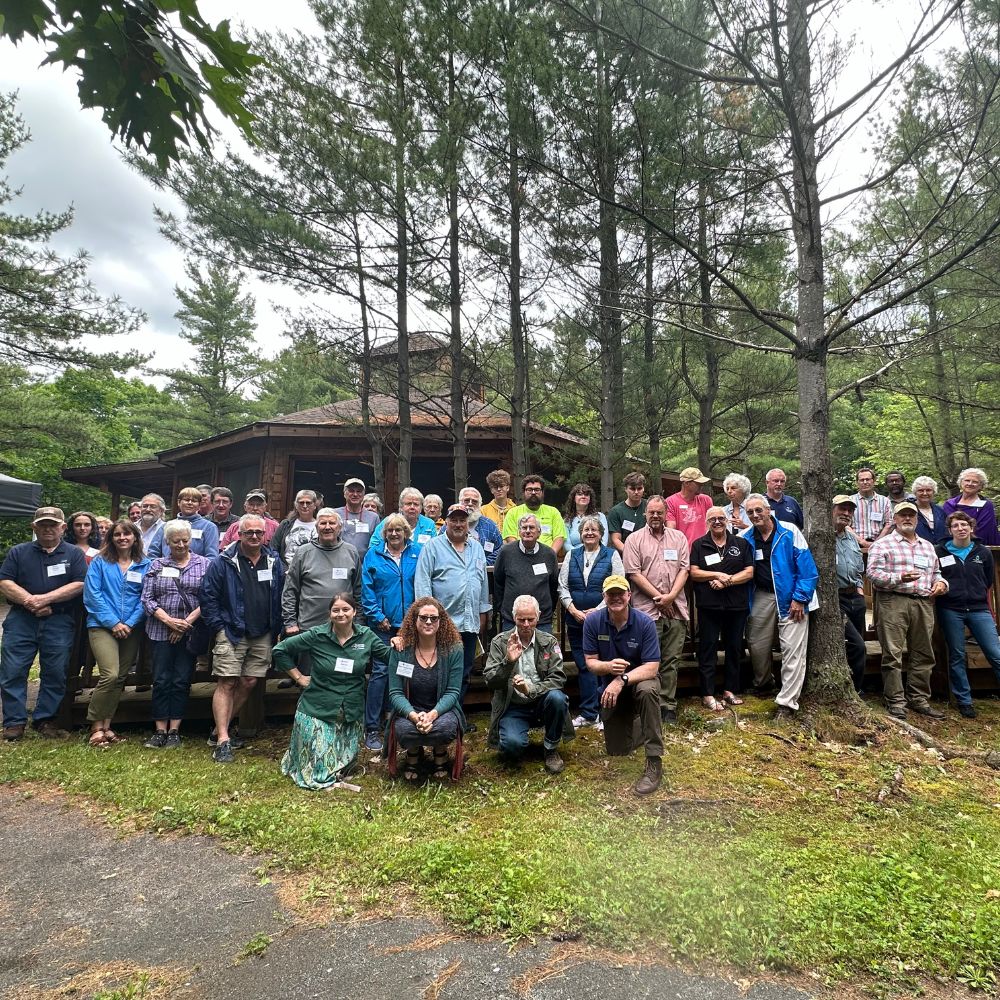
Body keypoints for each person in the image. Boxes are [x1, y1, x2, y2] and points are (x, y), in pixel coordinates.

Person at [272, 594, 392, 790]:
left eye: (345, 609)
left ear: (354, 612)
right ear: (329, 614)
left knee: (342, 767)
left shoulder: (367, 636)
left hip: (350, 709)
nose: (341, 614)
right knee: (319, 772)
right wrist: (299, 677)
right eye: (336, 610)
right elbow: (280, 650)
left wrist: (403, 644)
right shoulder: (317, 635)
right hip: (318, 707)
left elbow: (389, 658)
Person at [200, 514, 286, 763]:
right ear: (239, 534)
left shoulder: (273, 560)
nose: (255, 537)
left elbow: (280, 593)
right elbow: (208, 596)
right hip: (232, 631)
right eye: (249, 533)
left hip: (263, 632)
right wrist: (219, 626)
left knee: (249, 681)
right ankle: (224, 738)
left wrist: (277, 625)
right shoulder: (224, 561)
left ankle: (218, 729)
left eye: (259, 532)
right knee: (226, 682)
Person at [0, 506, 88, 741]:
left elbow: (80, 583)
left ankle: (45, 719)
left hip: (58, 620)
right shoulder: (18, 552)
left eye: (53, 524)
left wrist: (47, 599)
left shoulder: (74, 554)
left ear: (62, 528)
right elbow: (5, 582)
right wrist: (30, 602)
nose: (48, 528)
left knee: (55, 672)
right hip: (21, 619)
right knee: (13, 671)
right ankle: (14, 722)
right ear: (34, 527)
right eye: (42, 524)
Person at [865, 501, 948, 720]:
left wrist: (941, 584)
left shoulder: (927, 546)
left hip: (923, 602)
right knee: (892, 653)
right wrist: (898, 578)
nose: (907, 519)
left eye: (911, 515)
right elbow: (872, 574)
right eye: (902, 515)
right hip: (893, 601)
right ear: (894, 519)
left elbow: (937, 572)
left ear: (917, 519)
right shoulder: (883, 545)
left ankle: (918, 698)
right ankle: (895, 700)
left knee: (923, 653)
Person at [583, 576, 663, 796]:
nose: (616, 598)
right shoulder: (593, 621)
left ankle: (654, 760)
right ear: (604, 597)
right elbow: (590, 663)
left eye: (621, 593)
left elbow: (652, 667)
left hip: (639, 682)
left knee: (647, 691)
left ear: (629, 595)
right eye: (611, 594)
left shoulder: (644, 622)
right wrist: (609, 667)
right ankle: (645, 724)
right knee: (617, 750)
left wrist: (622, 679)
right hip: (610, 688)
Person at [741, 494, 818, 716]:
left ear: (768, 510)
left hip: (792, 597)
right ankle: (763, 683)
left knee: (793, 649)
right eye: (750, 512)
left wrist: (800, 598)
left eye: (759, 510)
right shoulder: (746, 537)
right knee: (756, 644)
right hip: (761, 596)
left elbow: (807, 568)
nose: (755, 515)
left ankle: (787, 702)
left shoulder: (789, 531)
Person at [140, 519, 211, 748]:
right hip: (161, 631)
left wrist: (185, 623)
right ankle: (160, 729)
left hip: (190, 631)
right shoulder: (157, 565)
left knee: (181, 680)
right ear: (167, 542)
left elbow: (209, 597)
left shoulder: (205, 564)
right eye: (175, 541)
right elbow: (147, 599)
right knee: (161, 680)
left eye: (185, 540)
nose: (180, 544)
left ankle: (174, 730)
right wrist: (170, 622)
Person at [484, 595, 573, 774]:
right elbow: (490, 680)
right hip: (513, 707)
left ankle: (550, 749)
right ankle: (513, 737)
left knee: (557, 698)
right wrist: (508, 662)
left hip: (542, 702)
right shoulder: (500, 642)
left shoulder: (549, 641)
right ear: (513, 617)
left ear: (538, 617)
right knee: (511, 748)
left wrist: (530, 688)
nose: (526, 624)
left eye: (530, 619)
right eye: (521, 619)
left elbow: (558, 678)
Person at [415, 504, 491, 708]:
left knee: (464, 670)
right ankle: (436, 714)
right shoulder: (433, 546)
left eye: (462, 520)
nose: (458, 524)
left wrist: (483, 612)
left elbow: (482, 582)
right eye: (454, 520)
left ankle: (455, 715)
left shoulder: (477, 548)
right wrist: (427, 616)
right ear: (446, 522)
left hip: (469, 622)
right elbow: (422, 581)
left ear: (468, 523)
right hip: (442, 622)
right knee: (440, 670)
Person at [622, 495, 689, 724]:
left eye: (659, 512)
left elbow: (684, 570)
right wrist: (660, 599)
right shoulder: (634, 539)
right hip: (646, 613)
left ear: (665, 514)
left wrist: (670, 598)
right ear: (645, 514)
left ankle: (667, 705)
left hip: (677, 609)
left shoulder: (679, 538)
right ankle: (645, 705)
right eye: (651, 512)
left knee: (671, 659)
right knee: (646, 660)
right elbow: (634, 573)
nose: (655, 516)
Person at [83, 519, 149, 748]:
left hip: (132, 627)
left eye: (127, 534)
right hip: (102, 626)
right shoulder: (100, 562)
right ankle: (95, 725)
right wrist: (113, 623)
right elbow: (93, 594)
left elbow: (146, 597)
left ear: (135, 538)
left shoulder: (145, 564)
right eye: (117, 534)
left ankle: (107, 726)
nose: (122, 538)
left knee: (120, 677)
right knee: (109, 674)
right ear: (110, 538)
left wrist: (129, 623)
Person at [386, 598, 466, 782]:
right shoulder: (401, 650)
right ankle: (413, 752)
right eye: (423, 618)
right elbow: (395, 693)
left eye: (433, 618)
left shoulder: (454, 649)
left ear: (441, 621)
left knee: (446, 728)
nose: (428, 622)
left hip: (441, 711)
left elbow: (453, 692)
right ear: (414, 620)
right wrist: (414, 716)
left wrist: (431, 716)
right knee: (404, 730)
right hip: (410, 710)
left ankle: (441, 752)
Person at [361, 513, 423, 749]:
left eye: (399, 529)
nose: (394, 533)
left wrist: (414, 618)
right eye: (390, 530)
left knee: (406, 670)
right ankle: (373, 727)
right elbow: (366, 589)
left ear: (406, 532)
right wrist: (378, 616)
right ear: (384, 534)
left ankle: (399, 719)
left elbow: (423, 583)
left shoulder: (417, 552)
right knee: (380, 671)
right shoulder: (373, 555)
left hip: (410, 624)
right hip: (383, 625)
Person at [558, 514, 625, 729]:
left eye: (593, 530)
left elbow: (619, 585)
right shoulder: (571, 555)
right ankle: (588, 713)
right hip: (576, 619)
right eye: (585, 530)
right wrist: (573, 609)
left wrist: (596, 611)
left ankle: (606, 713)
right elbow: (563, 586)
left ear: (601, 534)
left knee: (605, 664)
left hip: (604, 620)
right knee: (584, 665)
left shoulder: (611, 555)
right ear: (580, 534)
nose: (589, 533)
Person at [935, 511, 1000, 719]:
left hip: (979, 609)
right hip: (951, 609)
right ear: (950, 530)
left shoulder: (983, 552)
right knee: (957, 655)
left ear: (971, 528)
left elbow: (987, 580)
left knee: (995, 653)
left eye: (964, 525)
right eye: (955, 526)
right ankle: (964, 700)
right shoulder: (941, 551)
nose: (960, 529)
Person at [689, 506, 754, 711]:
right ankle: (707, 693)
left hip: (736, 606)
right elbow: (694, 572)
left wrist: (728, 581)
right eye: (712, 519)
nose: (717, 522)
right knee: (707, 649)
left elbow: (749, 571)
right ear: (707, 522)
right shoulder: (700, 544)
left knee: (734, 648)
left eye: (720, 518)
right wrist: (716, 575)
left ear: (727, 520)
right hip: (709, 606)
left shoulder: (741, 544)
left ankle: (729, 690)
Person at [281, 508, 363, 636]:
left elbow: (359, 591)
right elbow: (290, 590)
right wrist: (290, 622)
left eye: (332, 523)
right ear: (316, 527)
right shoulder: (303, 553)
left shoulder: (351, 552)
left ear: (340, 527)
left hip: (344, 628)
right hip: (309, 628)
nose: (327, 527)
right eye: (323, 523)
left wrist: (359, 623)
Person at [493, 514, 559, 631]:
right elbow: (498, 582)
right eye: (524, 528)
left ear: (539, 532)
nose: (528, 531)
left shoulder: (549, 554)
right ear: (519, 532)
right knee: (512, 649)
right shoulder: (506, 552)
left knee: (544, 650)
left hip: (541, 621)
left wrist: (546, 611)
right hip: (512, 620)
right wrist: (503, 609)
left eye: (532, 527)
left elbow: (553, 586)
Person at [832, 496, 868, 693]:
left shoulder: (851, 538)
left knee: (856, 645)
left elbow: (859, 568)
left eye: (850, 510)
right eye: (842, 509)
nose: (846, 513)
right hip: (835, 599)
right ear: (831, 510)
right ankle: (854, 690)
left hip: (855, 598)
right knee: (857, 645)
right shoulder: (819, 537)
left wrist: (861, 591)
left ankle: (855, 689)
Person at [501, 475, 568, 556]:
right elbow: (510, 538)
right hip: (521, 558)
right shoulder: (513, 513)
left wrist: (550, 556)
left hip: (546, 557)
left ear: (542, 492)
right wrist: (521, 556)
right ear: (523, 492)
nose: (533, 492)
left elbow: (559, 537)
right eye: (529, 489)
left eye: (537, 489)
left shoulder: (553, 512)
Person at [148, 487, 220, 560]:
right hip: (166, 569)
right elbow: (153, 553)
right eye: (186, 500)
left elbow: (212, 557)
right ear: (179, 502)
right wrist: (159, 568)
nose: (190, 503)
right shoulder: (166, 526)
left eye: (194, 501)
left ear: (199, 505)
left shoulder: (209, 527)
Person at [942, 468, 1000, 545]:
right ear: (961, 483)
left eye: (975, 482)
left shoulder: (986, 505)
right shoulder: (949, 504)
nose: (970, 484)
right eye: (967, 480)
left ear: (981, 486)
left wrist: (969, 546)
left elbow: (984, 530)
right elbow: (947, 527)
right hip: (953, 546)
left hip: (979, 547)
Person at [370, 487, 437, 549]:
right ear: (401, 507)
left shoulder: (429, 524)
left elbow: (435, 549)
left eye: (416, 504)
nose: (412, 507)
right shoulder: (388, 521)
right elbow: (373, 545)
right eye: (408, 504)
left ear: (421, 508)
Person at [666, 468, 715, 548]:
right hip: (683, 550)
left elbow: (712, 524)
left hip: (705, 549)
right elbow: (671, 530)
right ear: (686, 483)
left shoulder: (706, 500)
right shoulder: (670, 501)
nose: (701, 485)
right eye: (698, 483)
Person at [272, 489, 321, 567]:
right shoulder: (285, 525)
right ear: (296, 505)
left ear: (315, 505)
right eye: (301, 503)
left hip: (312, 571)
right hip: (287, 572)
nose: (305, 506)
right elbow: (273, 548)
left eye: (308, 503)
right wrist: (282, 568)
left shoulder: (321, 525)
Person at [456, 487, 503, 566]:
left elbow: (500, 549)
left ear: (480, 505)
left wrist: (483, 564)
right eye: (467, 500)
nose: (470, 504)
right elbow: (440, 548)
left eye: (474, 501)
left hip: (483, 574)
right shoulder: (449, 524)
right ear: (460, 502)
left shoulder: (490, 525)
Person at [850, 467, 893, 553]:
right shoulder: (850, 501)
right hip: (854, 545)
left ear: (873, 481)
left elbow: (889, 524)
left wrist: (877, 542)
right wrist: (862, 541)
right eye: (862, 480)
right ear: (857, 483)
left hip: (880, 546)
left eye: (868, 479)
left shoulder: (885, 501)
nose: (865, 482)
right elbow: (846, 525)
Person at [335, 478, 380, 556]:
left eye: (359, 491)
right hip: (340, 561)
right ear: (344, 494)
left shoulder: (373, 517)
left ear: (363, 494)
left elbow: (378, 543)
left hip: (365, 563)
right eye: (351, 491)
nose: (355, 494)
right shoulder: (335, 514)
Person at [607, 472, 647, 553]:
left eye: (639, 488)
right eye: (632, 489)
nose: (636, 492)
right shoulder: (616, 511)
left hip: (649, 551)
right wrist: (630, 553)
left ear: (643, 488)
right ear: (625, 489)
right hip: (626, 552)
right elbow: (616, 539)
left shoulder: (650, 506)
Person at [564, 483, 609, 550]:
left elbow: (604, 541)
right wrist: (580, 555)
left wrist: (596, 553)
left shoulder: (600, 517)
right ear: (574, 498)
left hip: (598, 555)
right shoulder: (567, 520)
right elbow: (566, 544)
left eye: (586, 494)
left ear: (590, 498)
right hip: (575, 556)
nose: (583, 496)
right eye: (579, 494)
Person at [913, 475, 948, 544]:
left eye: (928, 490)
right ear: (915, 492)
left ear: (934, 492)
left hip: (942, 550)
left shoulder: (940, 511)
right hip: (918, 549)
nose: (925, 493)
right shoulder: (909, 510)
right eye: (920, 490)